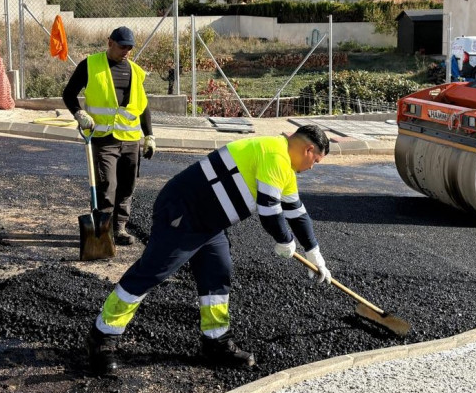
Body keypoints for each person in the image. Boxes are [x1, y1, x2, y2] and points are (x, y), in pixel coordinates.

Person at [86, 125, 333, 374]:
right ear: (309, 149)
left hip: (210, 223)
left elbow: (297, 213)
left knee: (217, 272)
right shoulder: (275, 153)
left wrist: (315, 253)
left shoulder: (285, 167)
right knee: (153, 271)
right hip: (183, 211)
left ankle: (215, 341)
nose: (312, 166)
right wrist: (284, 240)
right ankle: (103, 337)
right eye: (316, 160)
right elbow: (269, 210)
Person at [62, 26, 156, 245]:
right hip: (103, 139)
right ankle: (102, 232)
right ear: (109, 43)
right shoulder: (90, 65)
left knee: (127, 185)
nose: (126, 51)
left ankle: (119, 228)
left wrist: (149, 135)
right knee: (107, 186)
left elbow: (142, 106)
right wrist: (79, 113)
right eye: (122, 46)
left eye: (130, 48)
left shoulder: (135, 70)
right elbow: (69, 93)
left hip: (130, 140)